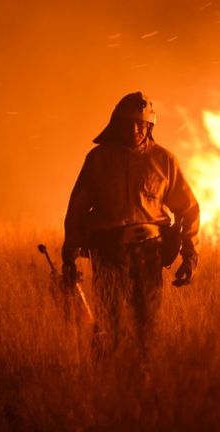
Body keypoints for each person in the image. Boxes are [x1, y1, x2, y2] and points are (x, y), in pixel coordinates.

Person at [62, 92, 200, 359]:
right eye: (128, 123)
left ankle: (143, 377)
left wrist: (190, 255)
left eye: (141, 124)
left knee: (147, 327)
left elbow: (189, 209)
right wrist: (69, 254)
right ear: (116, 124)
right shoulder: (98, 159)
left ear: (150, 126)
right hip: (109, 252)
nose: (134, 129)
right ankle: (109, 373)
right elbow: (77, 209)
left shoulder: (164, 161)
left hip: (150, 254)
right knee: (109, 321)